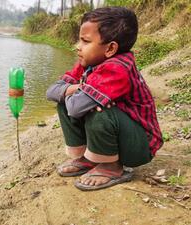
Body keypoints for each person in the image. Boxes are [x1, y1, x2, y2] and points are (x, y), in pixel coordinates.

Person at [46, 7, 163, 191]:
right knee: (70, 102)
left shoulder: (117, 68)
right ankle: (88, 158)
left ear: (110, 48)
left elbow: (76, 107)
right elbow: (51, 91)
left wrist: (71, 93)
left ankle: (111, 167)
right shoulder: (88, 63)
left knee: (96, 109)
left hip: (139, 145)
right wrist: (77, 89)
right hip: (121, 135)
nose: (78, 46)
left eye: (85, 41)